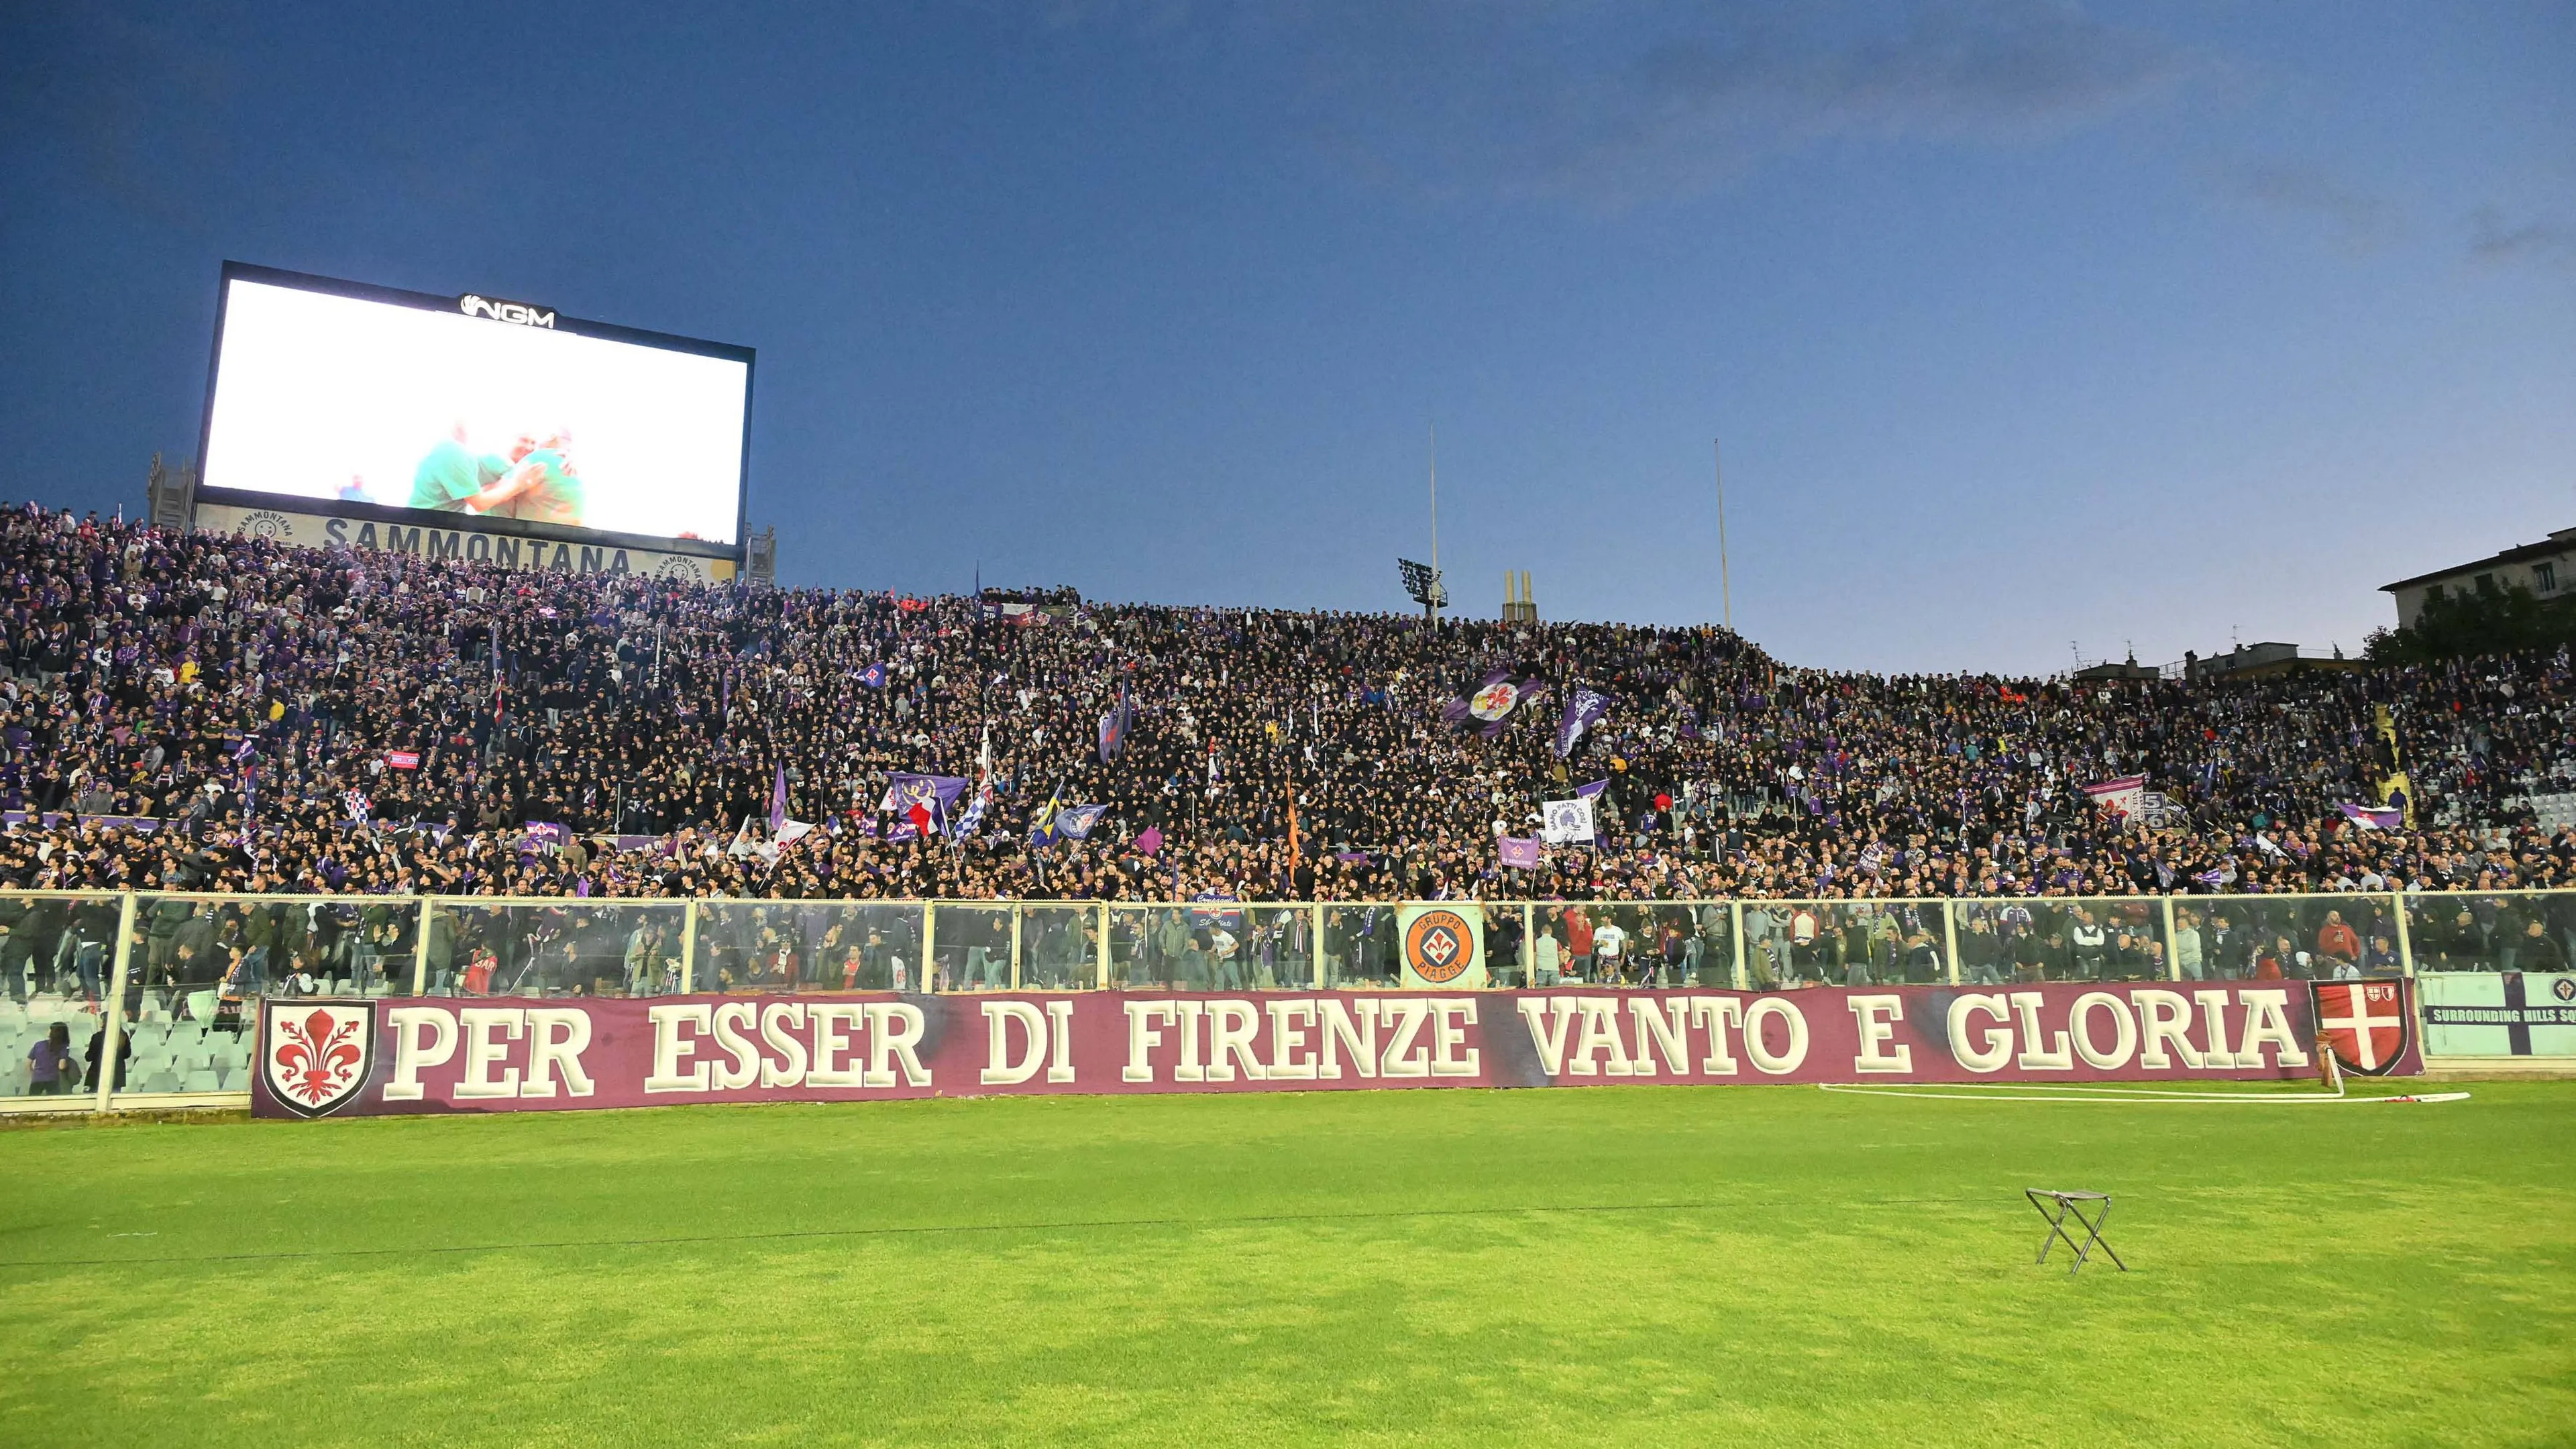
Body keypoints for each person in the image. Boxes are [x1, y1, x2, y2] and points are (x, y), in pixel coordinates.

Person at [26, 1022, 76, 1095]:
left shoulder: (38, 1045)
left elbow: (28, 1063)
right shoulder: (63, 1047)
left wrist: (34, 1075)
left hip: (37, 1080)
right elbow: (61, 1066)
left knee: (34, 1103)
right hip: (53, 1080)